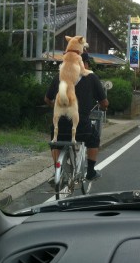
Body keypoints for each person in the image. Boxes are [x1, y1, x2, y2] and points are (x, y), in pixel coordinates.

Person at [44, 52, 109, 181]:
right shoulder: (91, 77)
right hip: (81, 129)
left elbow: (47, 99)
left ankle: (58, 171)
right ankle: (90, 171)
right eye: (87, 63)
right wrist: (104, 107)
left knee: (55, 143)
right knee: (94, 137)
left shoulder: (60, 76)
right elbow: (104, 102)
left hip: (60, 128)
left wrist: (56, 107)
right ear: (83, 63)